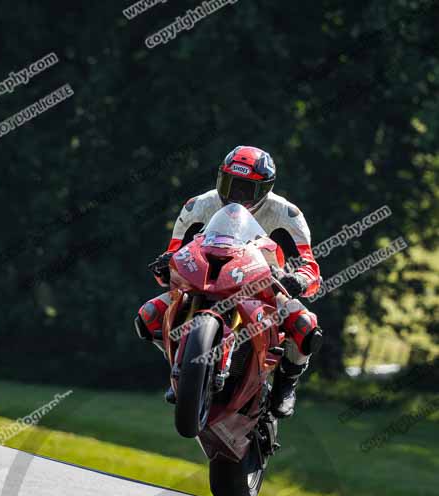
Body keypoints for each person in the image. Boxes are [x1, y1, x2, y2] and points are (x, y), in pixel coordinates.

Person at [135, 145, 323, 418]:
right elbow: (174, 254)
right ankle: (183, 368)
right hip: (205, 277)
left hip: (263, 286)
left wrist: (297, 280)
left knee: (306, 326)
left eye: (245, 189)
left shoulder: (287, 214)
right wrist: (166, 266)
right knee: (147, 317)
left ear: (265, 189)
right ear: (219, 178)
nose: (235, 195)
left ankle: (286, 385)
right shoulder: (197, 205)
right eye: (230, 184)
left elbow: (311, 269)